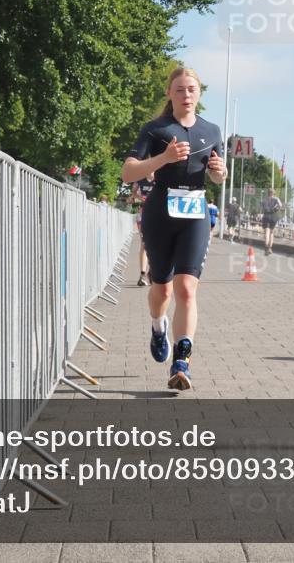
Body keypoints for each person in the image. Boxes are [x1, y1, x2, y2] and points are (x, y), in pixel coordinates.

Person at [121, 67, 226, 391]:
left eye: (191, 89)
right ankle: (158, 326)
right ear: (169, 93)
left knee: (187, 289)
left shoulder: (212, 130)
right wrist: (163, 158)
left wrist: (219, 172)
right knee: (163, 290)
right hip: (160, 212)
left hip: (195, 213)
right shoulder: (156, 129)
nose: (186, 95)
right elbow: (128, 172)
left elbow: (216, 176)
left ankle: (182, 361)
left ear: (199, 93)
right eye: (179, 89)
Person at [131, 176, 154, 286]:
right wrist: (142, 197)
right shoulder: (139, 178)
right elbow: (133, 193)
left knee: (158, 245)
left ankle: (153, 271)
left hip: (160, 213)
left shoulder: (161, 176)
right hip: (144, 213)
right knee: (144, 244)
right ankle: (142, 274)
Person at [261, 188, 283, 255]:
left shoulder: (264, 200)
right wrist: (275, 209)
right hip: (273, 216)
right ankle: (270, 248)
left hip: (266, 216)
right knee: (271, 233)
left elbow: (262, 207)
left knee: (267, 233)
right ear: (274, 193)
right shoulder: (276, 199)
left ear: (268, 193)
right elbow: (280, 205)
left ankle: (266, 248)